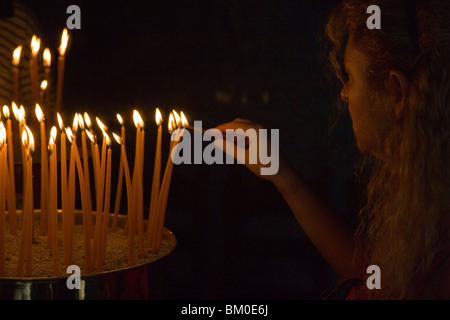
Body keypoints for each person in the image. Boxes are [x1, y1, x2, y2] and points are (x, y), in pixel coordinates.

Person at [216, 0, 450, 299]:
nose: (343, 93)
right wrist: (282, 176)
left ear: (397, 91)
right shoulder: (428, 201)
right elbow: (378, 278)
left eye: (350, 76)